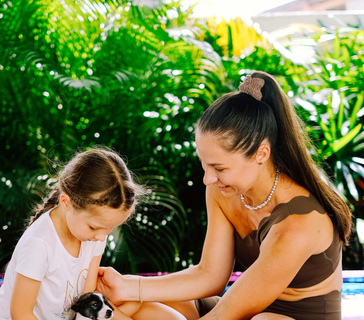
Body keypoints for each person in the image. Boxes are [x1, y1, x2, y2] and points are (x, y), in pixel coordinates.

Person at [97, 71, 353, 320]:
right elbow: (210, 275)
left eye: (219, 168)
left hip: (287, 317)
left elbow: (225, 315)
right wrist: (127, 287)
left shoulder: (298, 223)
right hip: (242, 307)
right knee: (131, 302)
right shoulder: (224, 190)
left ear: (261, 154)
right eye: (204, 164)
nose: (208, 178)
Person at [0, 147, 153, 320]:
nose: (102, 237)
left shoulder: (94, 234)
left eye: (110, 229)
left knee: (147, 307)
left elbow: (87, 298)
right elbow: (21, 314)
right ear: (66, 202)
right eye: (94, 228)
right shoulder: (39, 243)